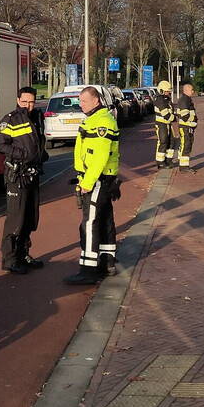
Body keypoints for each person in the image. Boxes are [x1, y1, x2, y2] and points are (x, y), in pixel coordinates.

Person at [64, 86, 121, 285]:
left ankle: (88, 269)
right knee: (105, 221)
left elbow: (99, 157)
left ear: (96, 101)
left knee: (90, 223)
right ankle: (107, 262)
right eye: (80, 101)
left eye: (84, 101)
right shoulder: (97, 119)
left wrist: (87, 182)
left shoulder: (101, 122)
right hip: (103, 180)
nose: (81, 105)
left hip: (96, 181)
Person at [0, 86, 48, 274]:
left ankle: (23, 254)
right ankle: (9, 260)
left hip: (32, 174)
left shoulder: (37, 118)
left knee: (30, 218)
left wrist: (42, 155)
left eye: (32, 101)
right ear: (18, 101)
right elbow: (0, 144)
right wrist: (22, 154)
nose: (28, 105)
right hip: (17, 176)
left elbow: (38, 143)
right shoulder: (10, 120)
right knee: (15, 219)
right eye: (25, 101)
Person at [152, 80, 176, 168]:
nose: (168, 92)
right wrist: (174, 118)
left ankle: (168, 160)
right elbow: (165, 114)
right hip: (161, 124)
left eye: (169, 91)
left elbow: (171, 110)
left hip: (167, 124)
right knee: (163, 141)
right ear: (161, 90)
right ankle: (160, 162)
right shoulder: (159, 99)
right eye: (167, 91)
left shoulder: (166, 99)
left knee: (171, 142)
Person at [175, 82, 198, 172]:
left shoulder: (186, 99)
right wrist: (194, 119)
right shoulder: (184, 100)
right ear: (187, 90)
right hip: (185, 127)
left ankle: (184, 165)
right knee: (186, 145)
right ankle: (184, 167)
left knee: (186, 145)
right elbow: (185, 116)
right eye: (192, 90)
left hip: (187, 127)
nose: (193, 91)